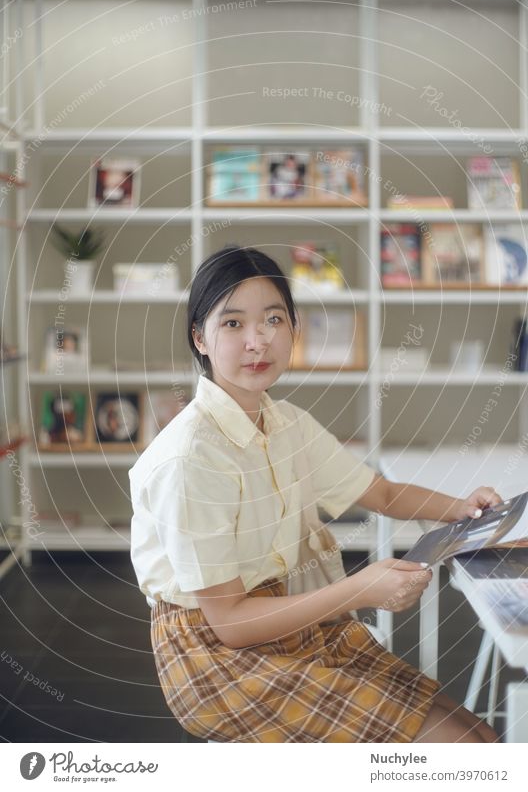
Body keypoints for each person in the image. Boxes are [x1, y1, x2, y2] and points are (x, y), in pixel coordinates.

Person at [129, 244, 501, 743]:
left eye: (274, 320)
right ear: (200, 338)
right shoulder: (189, 457)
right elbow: (230, 624)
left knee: (478, 736)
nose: (257, 342)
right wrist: (360, 590)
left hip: (289, 617)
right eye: (233, 324)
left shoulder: (286, 424)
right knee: (456, 747)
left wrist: (462, 508)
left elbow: (383, 493)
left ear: (293, 329)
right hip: (213, 657)